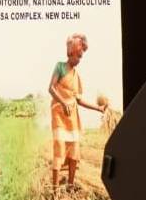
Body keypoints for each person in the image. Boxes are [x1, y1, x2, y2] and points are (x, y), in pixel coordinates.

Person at [48, 33, 105, 193]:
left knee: (74, 151)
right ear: (71, 51)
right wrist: (63, 102)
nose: (79, 59)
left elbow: (79, 100)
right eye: (78, 55)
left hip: (72, 118)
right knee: (60, 149)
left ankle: (70, 186)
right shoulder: (60, 66)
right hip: (59, 115)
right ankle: (54, 190)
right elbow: (51, 88)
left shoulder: (77, 76)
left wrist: (98, 108)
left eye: (81, 57)